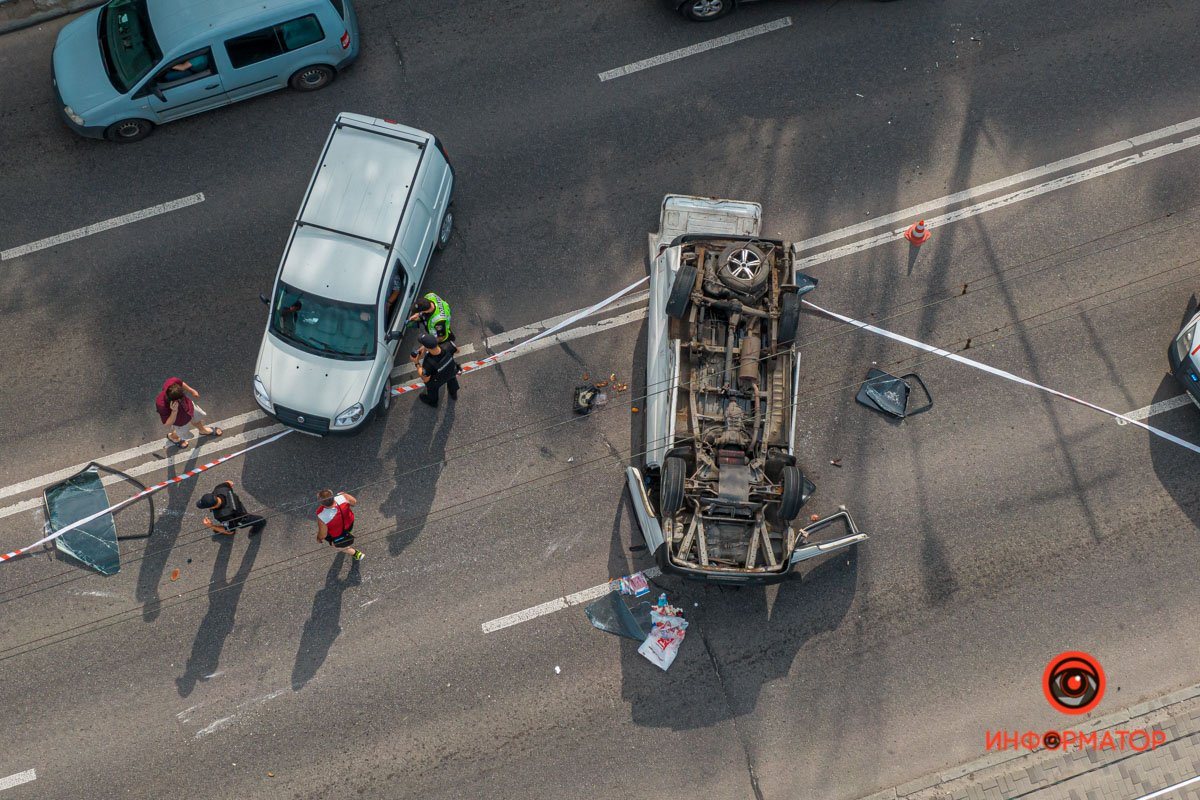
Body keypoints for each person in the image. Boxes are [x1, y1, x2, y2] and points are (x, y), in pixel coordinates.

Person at [156, 377, 222, 449]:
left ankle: (202, 430)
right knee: (181, 432)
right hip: (180, 421)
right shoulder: (161, 404)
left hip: (190, 408)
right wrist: (174, 411)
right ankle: (173, 437)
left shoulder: (172, 382)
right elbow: (167, 424)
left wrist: (192, 390)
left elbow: (181, 383)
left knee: (196, 419)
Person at [197, 480, 265, 536]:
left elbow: (230, 531)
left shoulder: (222, 516)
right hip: (238, 505)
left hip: (240, 517)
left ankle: (261, 523)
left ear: (213, 506)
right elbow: (230, 482)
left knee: (255, 521)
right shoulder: (219, 488)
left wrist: (211, 526)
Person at [413, 332, 461, 408]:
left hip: (438, 380)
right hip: (451, 371)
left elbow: (425, 379)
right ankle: (453, 394)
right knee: (452, 380)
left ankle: (433, 402)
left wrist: (416, 363)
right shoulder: (448, 345)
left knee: (431, 387)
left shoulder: (428, 362)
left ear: (427, 348)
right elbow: (458, 351)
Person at [316, 489, 364, 561]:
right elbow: (354, 502)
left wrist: (319, 538)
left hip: (337, 533)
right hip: (349, 524)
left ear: (322, 503)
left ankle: (356, 553)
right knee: (347, 532)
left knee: (337, 545)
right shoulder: (343, 497)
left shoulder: (322, 515)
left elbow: (323, 533)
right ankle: (348, 535)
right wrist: (344, 494)